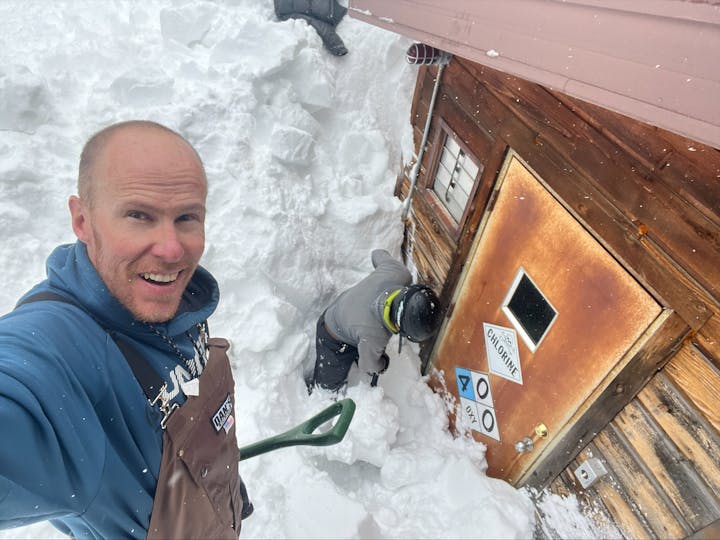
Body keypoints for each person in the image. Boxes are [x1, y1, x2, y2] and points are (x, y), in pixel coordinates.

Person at [0, 120, 251, 539]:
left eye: (187, 217)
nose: (172, 250)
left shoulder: (172, 301)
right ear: (82, 221)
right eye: (139, 216)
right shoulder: (61, 354)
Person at [307, 249, 442, 392]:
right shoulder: (375, 334)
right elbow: (368, 366)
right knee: (326, 386)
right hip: (332, 335)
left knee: (364, 343)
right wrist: (383, 363)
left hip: (343, 309)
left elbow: (377, 253)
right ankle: (315, 394)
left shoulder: (399, 274)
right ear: (399, 326)